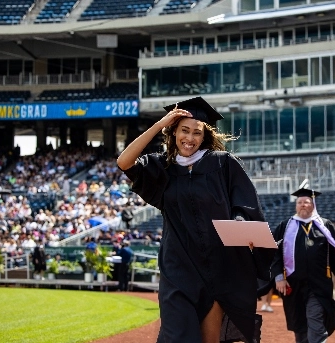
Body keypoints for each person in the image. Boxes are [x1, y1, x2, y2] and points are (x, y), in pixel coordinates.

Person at [116, 96, 274, 343]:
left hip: (219, 268)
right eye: (184, 130)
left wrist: (241, 223)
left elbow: (244, 203)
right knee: (178, 336)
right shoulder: (163, 167)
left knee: (210, 339)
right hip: (178, 269)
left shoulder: (222, 164)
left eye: (196, 133)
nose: (189, 138)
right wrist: (160, 124)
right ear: (174, 132)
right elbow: (124, 161)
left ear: (205, 136)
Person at [269, 180, 335, 343]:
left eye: (306, 202)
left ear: (313, 205)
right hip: (293, 285)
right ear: (296, 205)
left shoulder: (324, 226)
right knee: (300, 326)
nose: (303, 205)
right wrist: (279, 277)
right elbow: (274, 254)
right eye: (299, 202)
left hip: (319, 284)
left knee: (315, 321)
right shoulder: (285, 226)